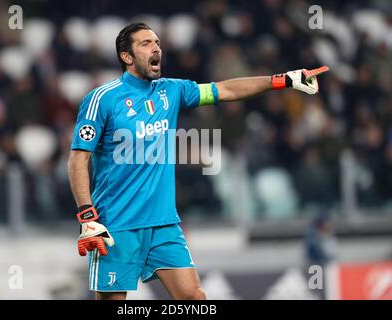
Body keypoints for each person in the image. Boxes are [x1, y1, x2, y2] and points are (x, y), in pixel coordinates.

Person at [67, 22, 328, 300]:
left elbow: (225, 90)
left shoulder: (173, 91)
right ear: (126, 57)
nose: (156, 48)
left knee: (194, 298)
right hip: (117, 225)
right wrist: (87, 216)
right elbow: (77, 159)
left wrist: (282, 80)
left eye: (157, 43)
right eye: (145, 43)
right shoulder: (102, 99)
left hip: (163, 224)